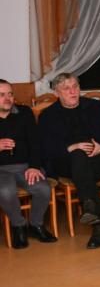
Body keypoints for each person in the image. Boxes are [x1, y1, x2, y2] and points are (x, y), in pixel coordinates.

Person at [39, 73, 100, 249]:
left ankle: (90, 207)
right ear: (56, 93)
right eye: (66, 88)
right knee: (77, 156)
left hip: (98, 162)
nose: (73, 91)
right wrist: (70, 148)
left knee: (82, 165)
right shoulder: (48, 116)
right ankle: (99, 226)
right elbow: (44, 149)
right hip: (65, 165)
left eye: (75, 86)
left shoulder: (97, 107)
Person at [0, 79, 56, 248]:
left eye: (10, 94)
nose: (8, 98)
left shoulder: (24, 112)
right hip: (1, 170)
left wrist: (34, 166)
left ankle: (35, 224)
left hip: (25, 166)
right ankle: (18, 226)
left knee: (43, 188)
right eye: (2, 95)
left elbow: (35, 143)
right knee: (6, 191)